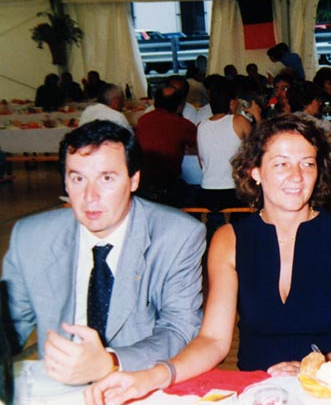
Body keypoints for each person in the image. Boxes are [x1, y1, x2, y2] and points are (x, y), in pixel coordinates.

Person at [84, 116, 331, 405]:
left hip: (328, 393)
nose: (297, 176)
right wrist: (149, 377)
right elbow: (213, 340)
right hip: (259, 394)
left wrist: (322, 365)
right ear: (255, 171)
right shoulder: (230, 239)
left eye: (307, 164)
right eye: (281, 164)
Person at [2, 120, 205, 385]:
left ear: (134, 180)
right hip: (57, 386)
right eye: (78, 179)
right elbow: (10, 326)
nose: (90, 196)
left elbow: (180, 330)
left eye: (106, 178)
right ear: (65, 183)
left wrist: (110, 361)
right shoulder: (31, 237)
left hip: (136, 382)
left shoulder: (177, 235)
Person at [196, 78, 254, 211]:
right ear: (232, 102)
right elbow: (258, 149)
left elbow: (201, 162)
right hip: (234, 191)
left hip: (207, 191)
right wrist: (257, 115)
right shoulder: (239, 121)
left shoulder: (201, 126)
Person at [135, 86, 197, 206]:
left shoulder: (143, 120)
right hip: (168, 185)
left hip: (143, 184)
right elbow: (198, 148)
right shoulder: (183, 124)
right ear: (179, 106)